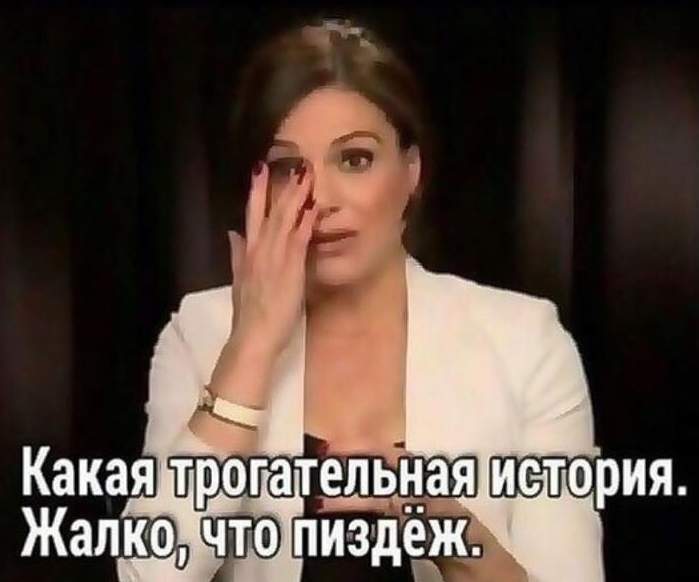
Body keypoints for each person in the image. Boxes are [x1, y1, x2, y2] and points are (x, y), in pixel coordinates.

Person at [117, 17, 604, 582]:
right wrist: (251, 347)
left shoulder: (527, 345)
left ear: (411, 171)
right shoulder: (199, 333)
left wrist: (441, 522)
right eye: (289, 168)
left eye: (354, 159)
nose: (321, 198)